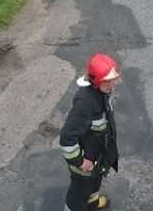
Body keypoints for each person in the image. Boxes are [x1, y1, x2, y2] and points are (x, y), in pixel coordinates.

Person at [60, 53, 121, 211]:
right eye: (107, 81)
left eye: (112, 80)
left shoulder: (101, 93)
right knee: (78, 194)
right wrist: (79, 162)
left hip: (96, 157)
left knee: (94, 183)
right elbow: (67, 138)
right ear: (95, 81)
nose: (111, 84)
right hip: (84, 163)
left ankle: (92, 204)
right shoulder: (84, 104)